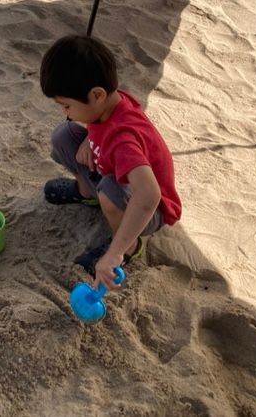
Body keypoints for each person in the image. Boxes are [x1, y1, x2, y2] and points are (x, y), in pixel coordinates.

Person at [39, 35, 181, 291]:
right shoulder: (107, 104)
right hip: (109, 173)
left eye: (67, 105)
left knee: (110, 191)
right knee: (64, 135)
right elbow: (95, 123)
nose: (65, 112)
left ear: (96, 95)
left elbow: (149, 194)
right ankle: (85, 193)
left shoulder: (123, 139)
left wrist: (113, 254)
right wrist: (90, 136)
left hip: (151, 211)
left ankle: (128, 246)